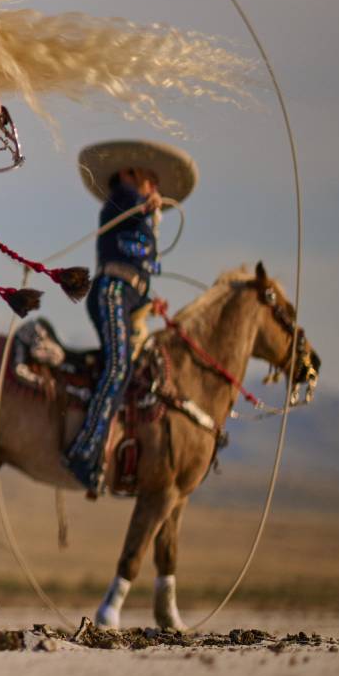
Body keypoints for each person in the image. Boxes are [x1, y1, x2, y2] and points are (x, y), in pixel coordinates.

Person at [65, 140, 197, 497]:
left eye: (154, 183)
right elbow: (129, 208)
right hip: (112, 292)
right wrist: (144, 205)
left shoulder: (135, 213)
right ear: (128, 175)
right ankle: (85, 451)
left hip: (124, 296)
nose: (154, 188)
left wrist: (148, 304)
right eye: (149, 180)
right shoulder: (121, 200)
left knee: (127, 365)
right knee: (119, 367)